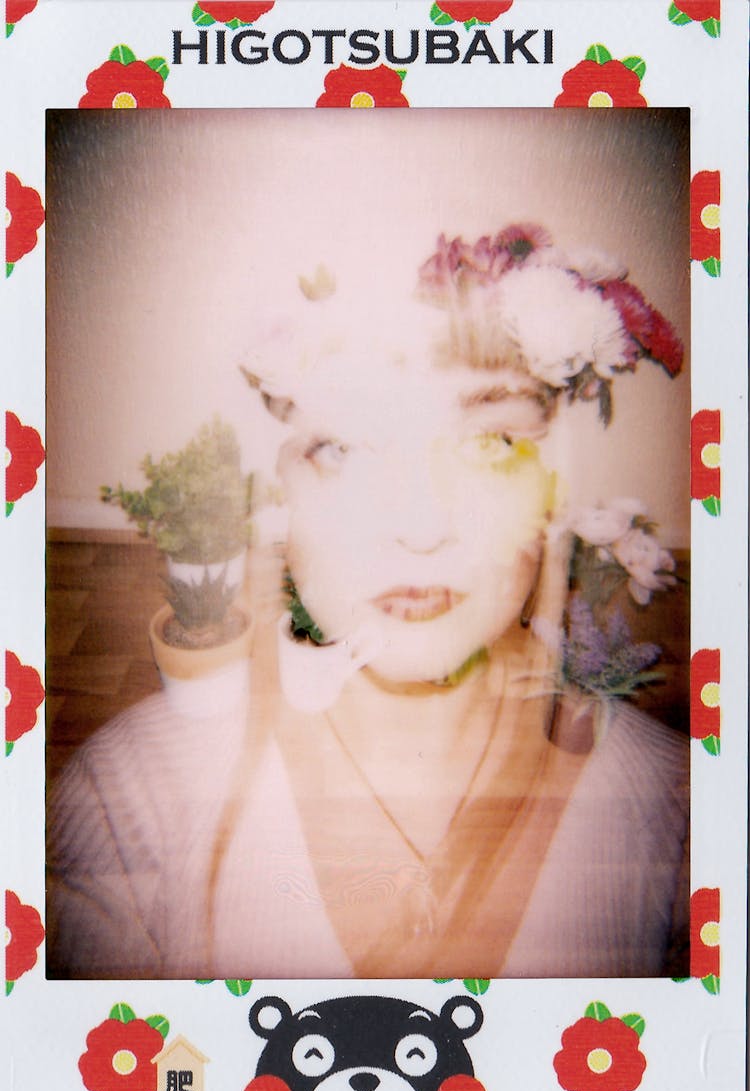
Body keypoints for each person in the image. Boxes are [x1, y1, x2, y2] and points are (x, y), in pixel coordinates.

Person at [46, 225, 689, 980]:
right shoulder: (128, 802)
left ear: (551, 490)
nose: (419, 527)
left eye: (490, 445)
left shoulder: (679, 817)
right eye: (343, 449)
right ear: (277, 494)